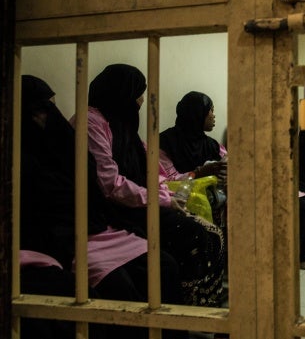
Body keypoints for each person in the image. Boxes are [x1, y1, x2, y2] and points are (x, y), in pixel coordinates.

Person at [20, 75, 186, 339]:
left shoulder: (67, 143)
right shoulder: (84, 127)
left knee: (163, 265)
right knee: (120, 286)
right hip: (62, 239)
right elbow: (108, 184)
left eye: (53, 107)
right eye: (42, 109)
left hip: (98, 226)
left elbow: (101, 180)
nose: (49, 116)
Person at [79, 64, 226, 307]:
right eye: (139, 94)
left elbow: (149, 172)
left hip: (143, 199)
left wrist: (168, 191)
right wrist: (173, 191)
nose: (141, 102)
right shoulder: (93, 123)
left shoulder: (123, 127)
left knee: (209, 233)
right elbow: (111, 183)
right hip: (110, 211)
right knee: (198, 235)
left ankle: (202, 305)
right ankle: (190, 306)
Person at [160, 91, 228, 227]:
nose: (214, 116)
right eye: (211, 111)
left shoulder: (211, 144)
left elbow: (228, 160)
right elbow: (167, 181)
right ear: (198, 113)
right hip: (179, 205)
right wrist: (199, 172)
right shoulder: (164, 142)